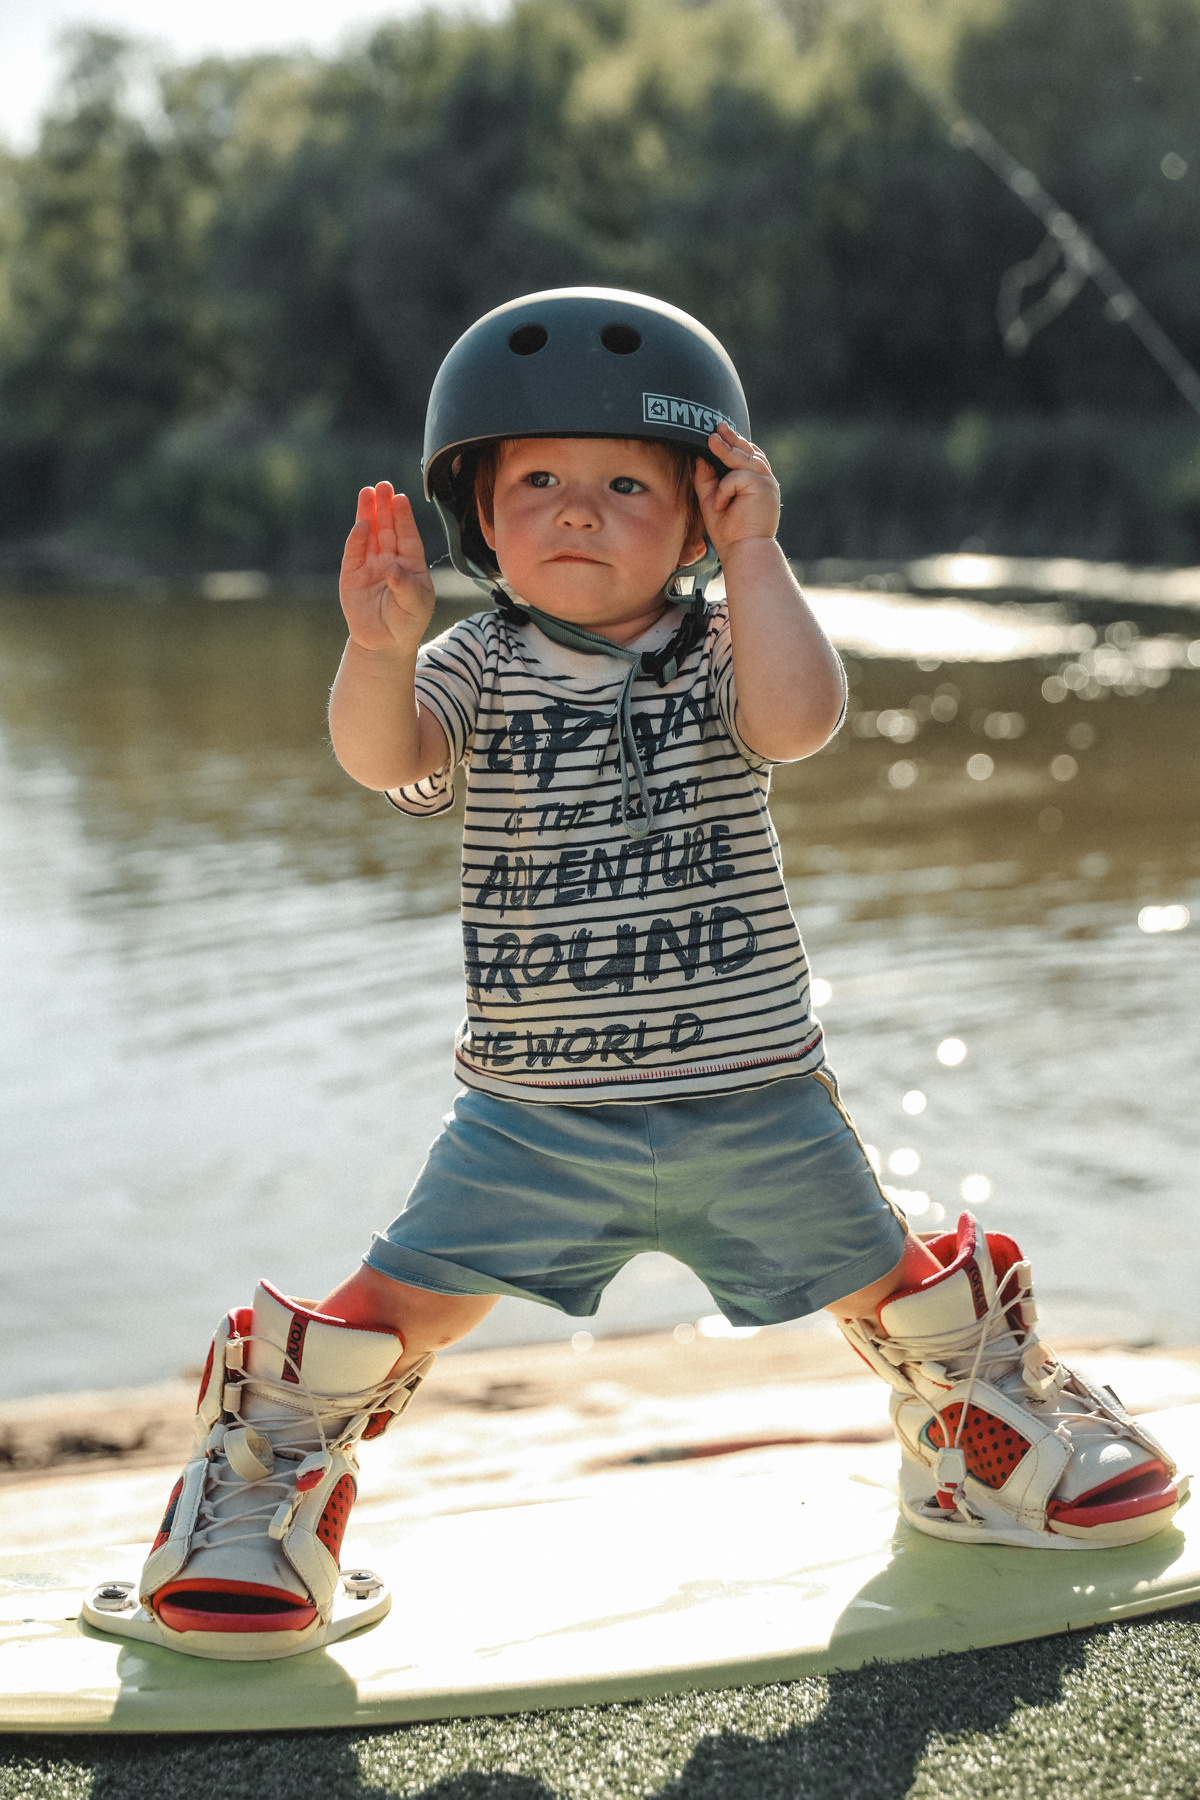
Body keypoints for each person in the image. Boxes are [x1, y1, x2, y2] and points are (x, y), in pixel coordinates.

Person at [119, 290, 1183, 1662]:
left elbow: (800, 719)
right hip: (531, 1120)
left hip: (757, 1099)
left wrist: (759, 558)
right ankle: (265, 1480)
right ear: (480, 515)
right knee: (383, 1319)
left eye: (628, 485)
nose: (579, 510)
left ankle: (978, 1432)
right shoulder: (474, 663)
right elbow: (386, 760)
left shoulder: (726, 645)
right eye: (539, 483)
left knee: (899, 1290)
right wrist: (377, 650)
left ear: (698, 516)